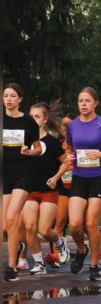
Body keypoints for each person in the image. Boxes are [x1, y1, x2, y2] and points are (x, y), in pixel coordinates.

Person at [65, 87, 101, 281]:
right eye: (80, 101)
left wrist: (100, 154)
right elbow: (68, 149)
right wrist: (69, 157)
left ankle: (95, 265)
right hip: (80, 177)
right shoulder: (72, 126)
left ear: (95, 103)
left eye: (87, 100)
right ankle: (82, 250)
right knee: (74, 225)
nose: (83, 104)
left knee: (90, 223)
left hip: (99, 178)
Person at [22, 101, 71, 274]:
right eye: (31, 117)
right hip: (29, 190)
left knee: (44, 230)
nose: (34, 120)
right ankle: (39, 264)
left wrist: (55, 177)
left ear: (44, 120)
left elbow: (65, 163)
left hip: (48, 191)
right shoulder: (24, 142)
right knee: (29, 228)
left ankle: (60, 243)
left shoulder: (51, 141)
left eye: (37, 117)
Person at [3, 83, 42, 282]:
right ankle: (15, 243)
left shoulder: (28, 122)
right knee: (4, 226)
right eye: (5, 95)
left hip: (23, 173)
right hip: (4, 175)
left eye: (12, 96)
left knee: (11, 218)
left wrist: (29, 151)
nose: (8, 99)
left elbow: (39, 149)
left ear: (20, 99)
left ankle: (12, 267)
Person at [47, 113, 77, 267]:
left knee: (80, 224)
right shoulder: (56, 143)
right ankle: (56, 254)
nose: (65, 127)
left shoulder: (81, 142)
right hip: (62, 187)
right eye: (63, 124)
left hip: (79, 186)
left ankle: (89, 248)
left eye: (69, 124)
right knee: (59, 221)